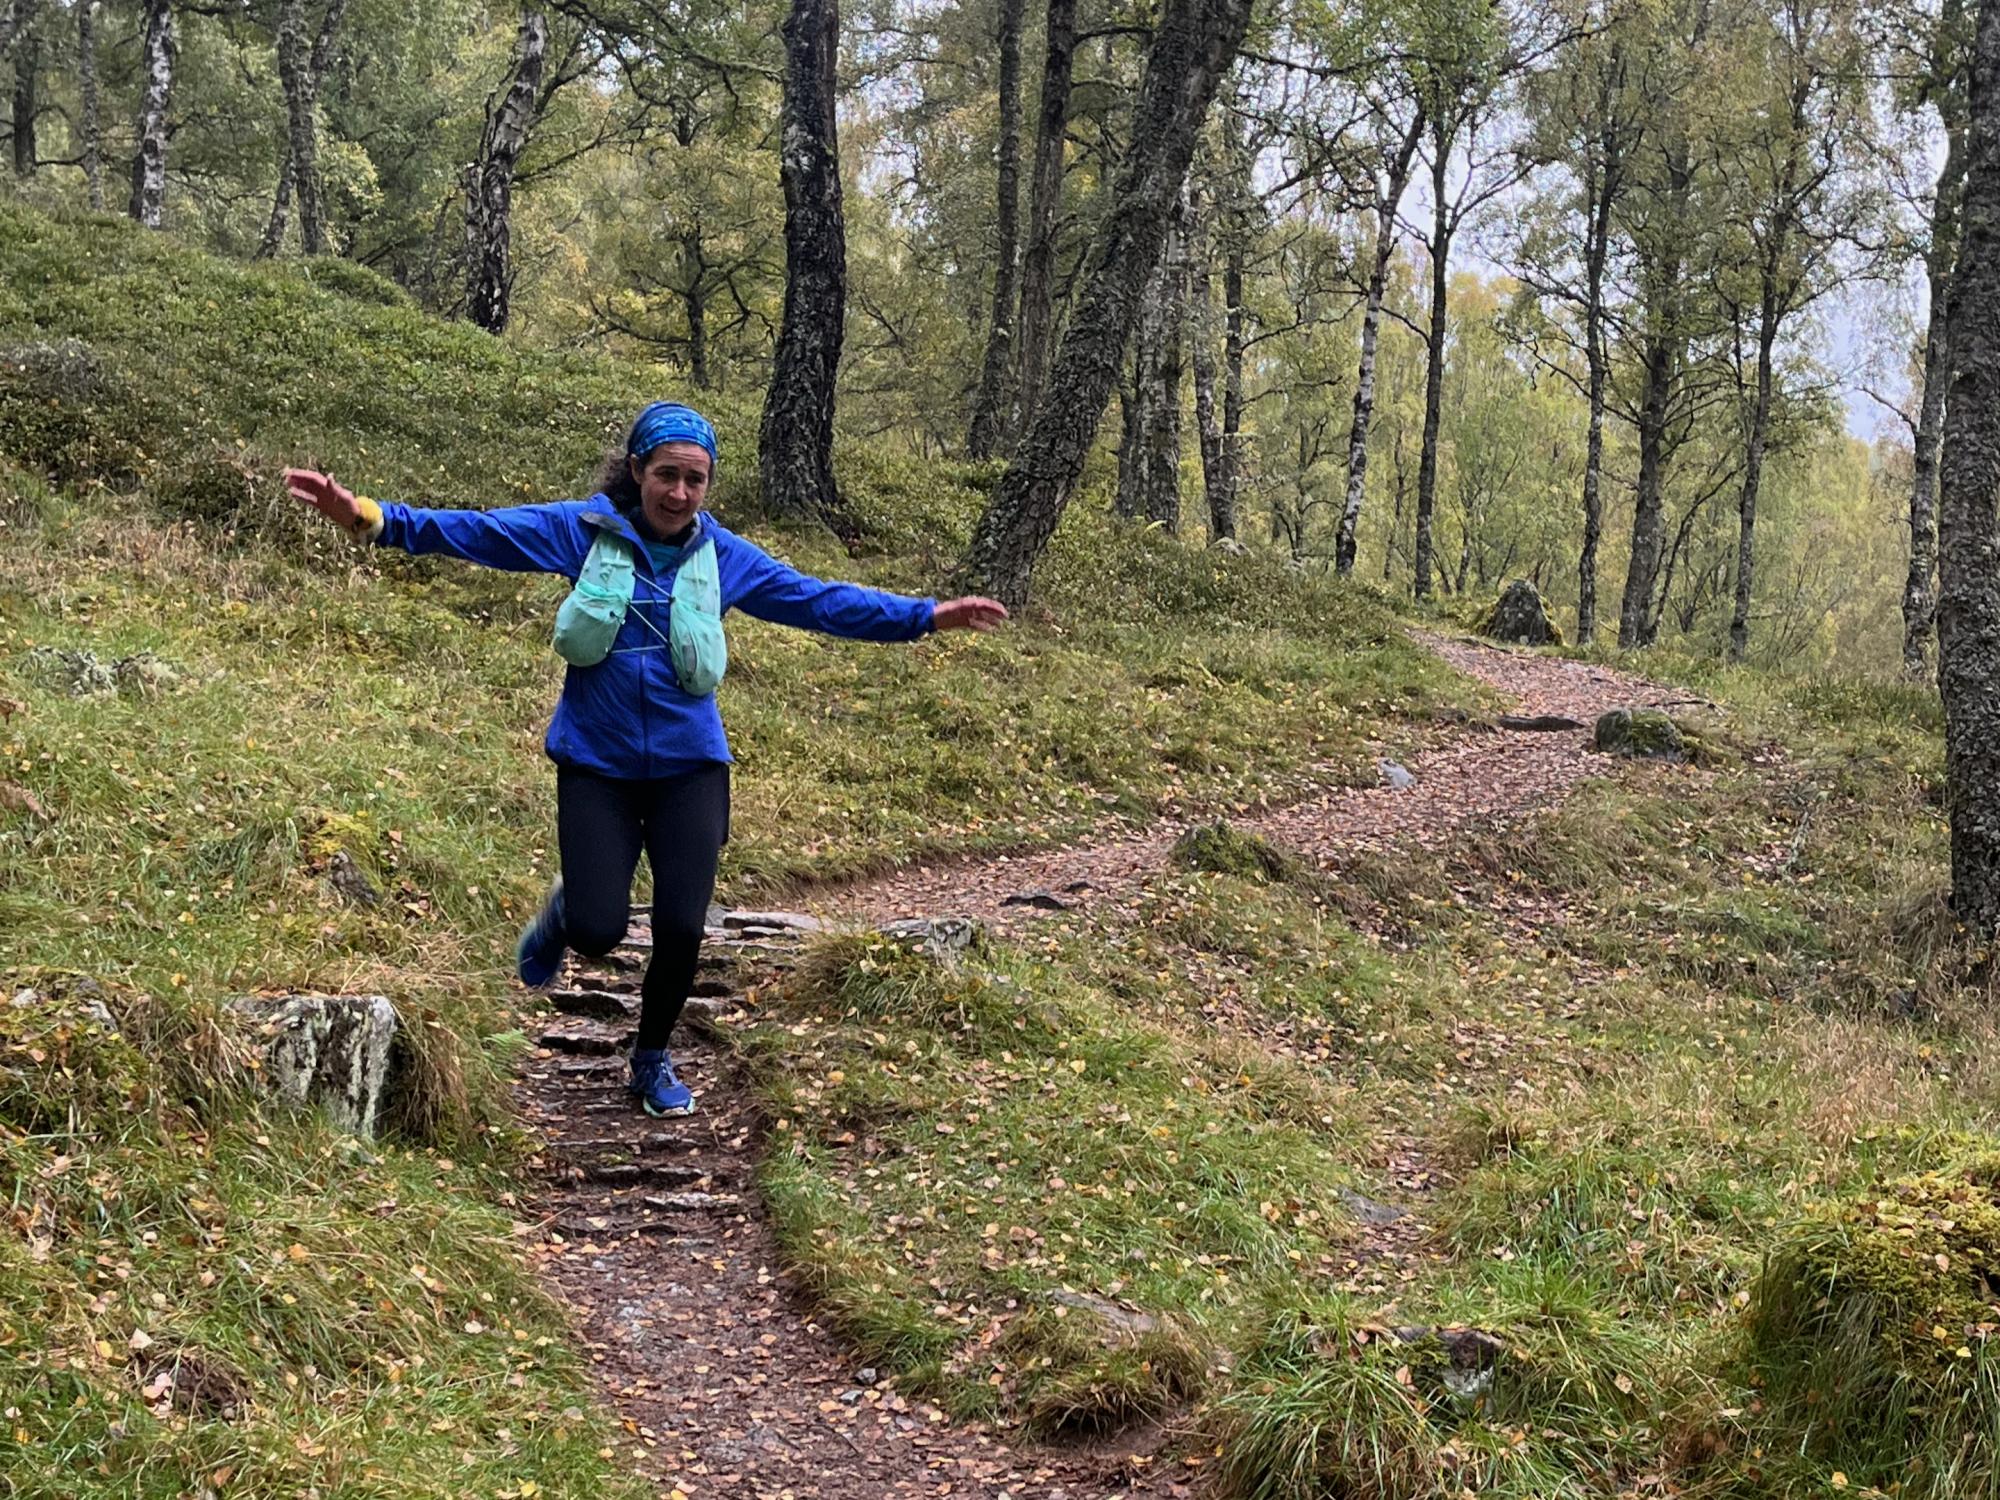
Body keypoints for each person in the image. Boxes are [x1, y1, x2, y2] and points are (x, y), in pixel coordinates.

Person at [284, 401, 1007, 1117]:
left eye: (696, 479)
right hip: (596, 762)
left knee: (682, 927)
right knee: (599, 933)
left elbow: (818, 602)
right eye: (667, 475)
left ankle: (651, 1057)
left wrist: (925, 616)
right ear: (638, 470)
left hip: (690, 767)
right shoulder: (582, 530)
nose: (680, 493)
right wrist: (369, 517)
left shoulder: (724, 557)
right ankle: (572, 907)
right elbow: (480, 532)